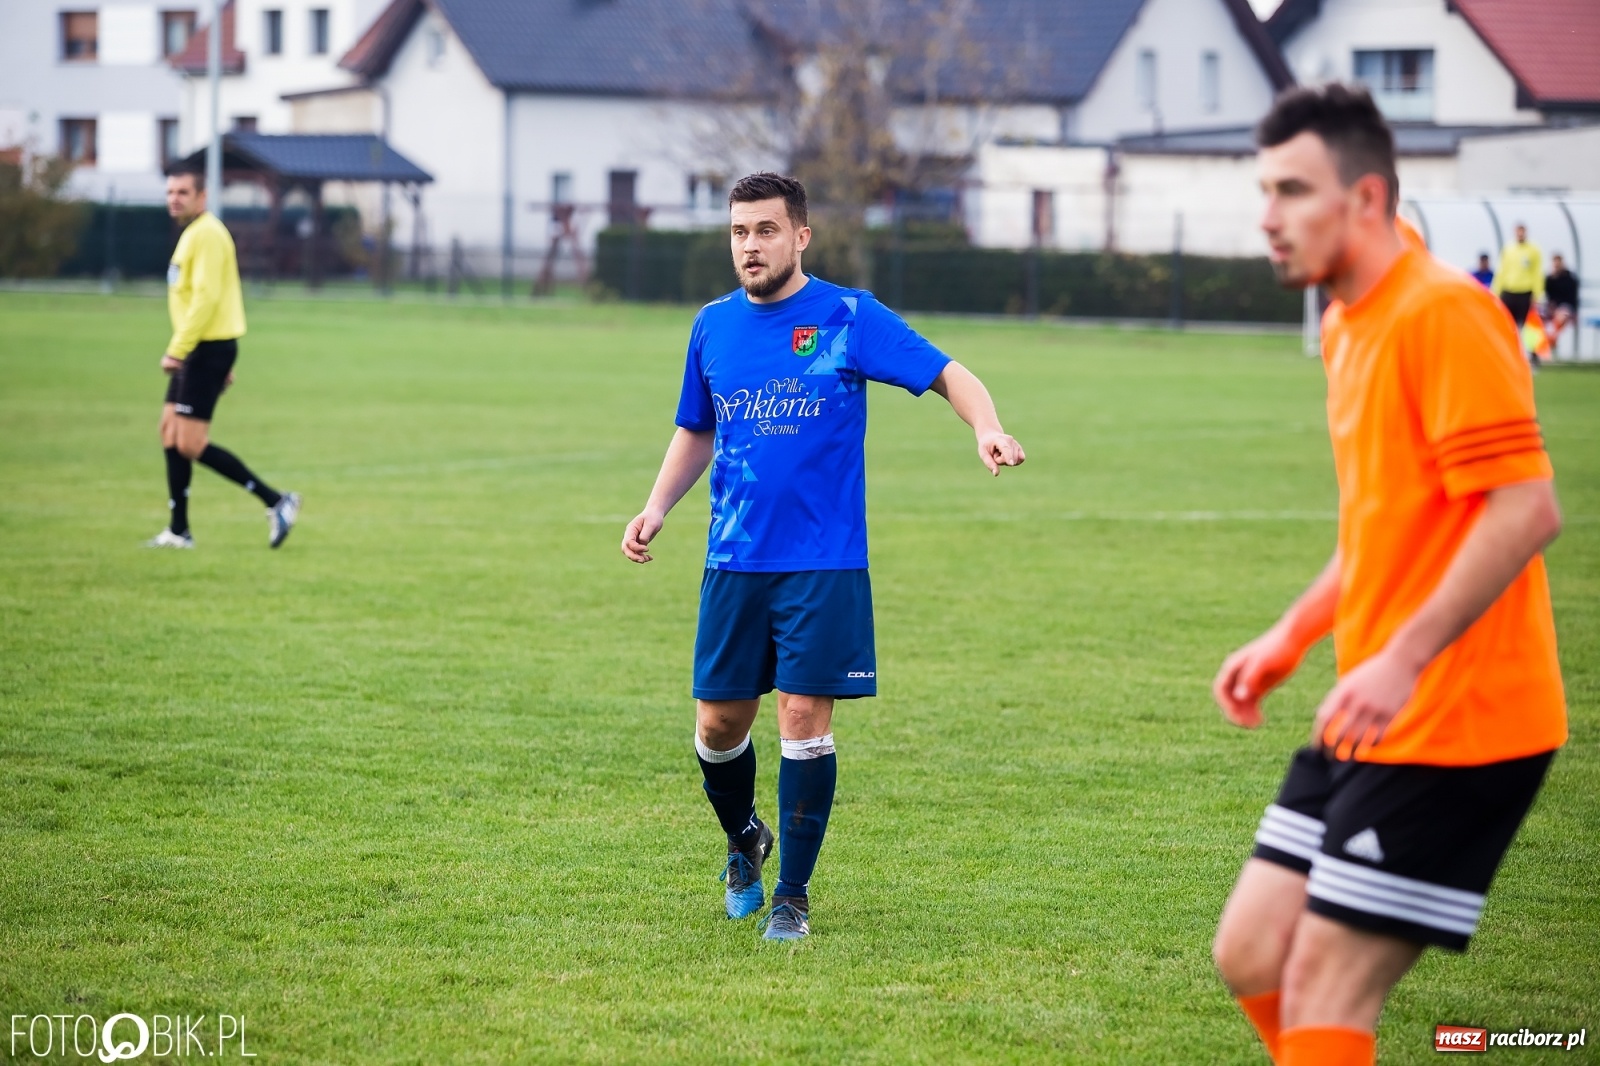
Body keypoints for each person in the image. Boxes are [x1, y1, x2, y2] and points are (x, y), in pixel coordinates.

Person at [1211, 84, 1566, 1066]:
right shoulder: (1345, 321)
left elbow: (1524, 509)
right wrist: (1292, 636)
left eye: (1291, 190)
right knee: (1249, 950)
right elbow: (1384, 525)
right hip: (1372, 711)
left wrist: (1401, 658)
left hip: (1462, 721)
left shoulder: (1442, 313)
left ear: (1364, 199)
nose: (1266, 217)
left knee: (1327, 983)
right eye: (1264, 189)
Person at [620, 172, 1024, 941]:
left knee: (801, 720)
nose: (750, 246)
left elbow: (948, 373)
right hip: (734, 560)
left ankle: (793, 897)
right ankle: (745, 842)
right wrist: (655, 506)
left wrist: (986, 425)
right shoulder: (712, 326)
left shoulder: (847, 315)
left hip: (823, 562)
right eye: (739, 232)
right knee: (717, 729)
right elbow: (696, 429)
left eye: (766, 231)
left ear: (801, 236)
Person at [149, 164, 299, 550]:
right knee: (170, 431)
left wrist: (178, 350)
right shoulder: (193, 234)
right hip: (201, 347)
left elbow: (207, 298)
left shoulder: (209, 235)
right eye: (170, 192)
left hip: (204, 348)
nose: (174, 199)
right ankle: (179, 530)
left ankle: (277, 501)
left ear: (202, 197)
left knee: (191, 443)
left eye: (183, 192)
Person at [1490, 223, 1544, 338]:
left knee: (1528, 326)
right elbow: (1501, 271)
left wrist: (1538, 294)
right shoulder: (1508, 249)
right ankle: (1508, 350)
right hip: (1508, 291)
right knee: (1506, 323)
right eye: (1518, 231)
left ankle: (1530, 353)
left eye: (1522, 231)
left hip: (1525, 292)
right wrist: (1496, 291)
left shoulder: (1533, 250)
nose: (1520, 234)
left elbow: (1537, 273)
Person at [1545, 252, 1579, 347]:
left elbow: (1573, 298)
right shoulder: (1549, 279)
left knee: (1561, 315)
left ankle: (1551, 338)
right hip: (1553, 307)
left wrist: (1575, 312)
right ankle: (1548, 339)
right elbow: (1548, 296)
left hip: (1566, 307)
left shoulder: (1570, 278)